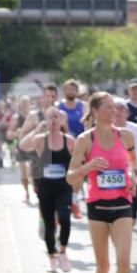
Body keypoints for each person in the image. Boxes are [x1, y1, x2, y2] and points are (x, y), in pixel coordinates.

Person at [66, 92, 137, 273]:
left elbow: (132, 162)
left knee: (124, 261)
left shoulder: (125, 136)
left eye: (115, 107)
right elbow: (70, 177)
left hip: (122, 204)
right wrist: (87, 167)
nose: (114, 111)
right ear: (95, 111)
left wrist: (132, 176)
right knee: (103, 264)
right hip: (97, 206)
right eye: (108, 107)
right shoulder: (85, 140)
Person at [19, 107, 76, 273]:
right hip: (45, 188)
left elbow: (79, 160)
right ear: (45, 120)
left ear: (61, 121)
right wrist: (38, 128)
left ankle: (63, 252)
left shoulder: (69, 140)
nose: (53, 121)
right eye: (50, 117)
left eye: (56, 117)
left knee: (65, 219)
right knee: (49, 224)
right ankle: (52, 256)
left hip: (64, 187)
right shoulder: (40, 139)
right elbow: (23, 146)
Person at [112, 98, 137, 231]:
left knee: (131, 219)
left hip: (131, 174)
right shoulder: (104, 129)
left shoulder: (136, 129)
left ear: (127, 113)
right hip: (111, 175)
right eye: (115, 108)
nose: (118, 112)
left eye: (121, 108)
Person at [58, 79, 87, 219]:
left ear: (77, 91)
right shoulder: (58, 106)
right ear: (64, 91)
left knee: (79, 173)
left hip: (79, 146)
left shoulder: (83, 106)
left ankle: (74, 201)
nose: (70, 92)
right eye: (68, 89)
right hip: (63, 145)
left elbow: (88, 125)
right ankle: (63, 202)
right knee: (64, 175)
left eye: (73, 89)